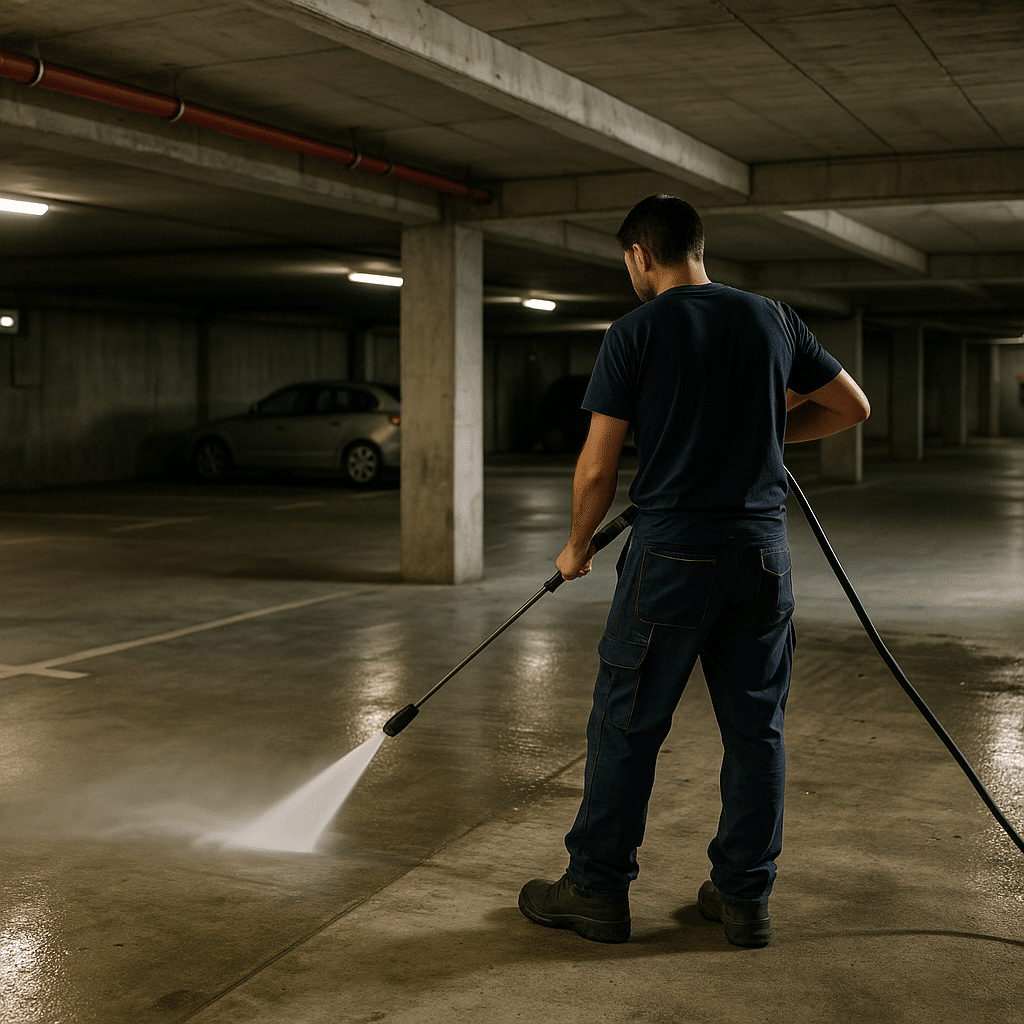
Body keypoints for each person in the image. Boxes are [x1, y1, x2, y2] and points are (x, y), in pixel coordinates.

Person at [518, 194, 870, 947]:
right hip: (762, 557)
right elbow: (851, 407)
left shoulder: (634, 331)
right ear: (696, 247)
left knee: (627, 724)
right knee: (756, 732)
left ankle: (597, 890)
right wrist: (768, 434)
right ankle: (744, 898)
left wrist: (577, 545)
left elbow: (597, 466)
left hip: (672, 558)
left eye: (627, 262)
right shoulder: (772, 317)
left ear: (641, 256)